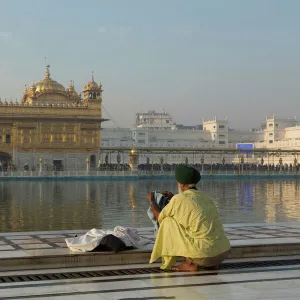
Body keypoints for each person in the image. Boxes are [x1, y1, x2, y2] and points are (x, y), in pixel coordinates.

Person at [148, 165, 230, 271]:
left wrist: (152, 201)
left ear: (182, 185)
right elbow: (192, 207)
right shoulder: (206, 198)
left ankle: (189, 264)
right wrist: (174, 198)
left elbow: (159, 217)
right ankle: (210, 263)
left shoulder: (179, 199)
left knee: (168, 221)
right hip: (222, 253)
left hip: (202, 255)